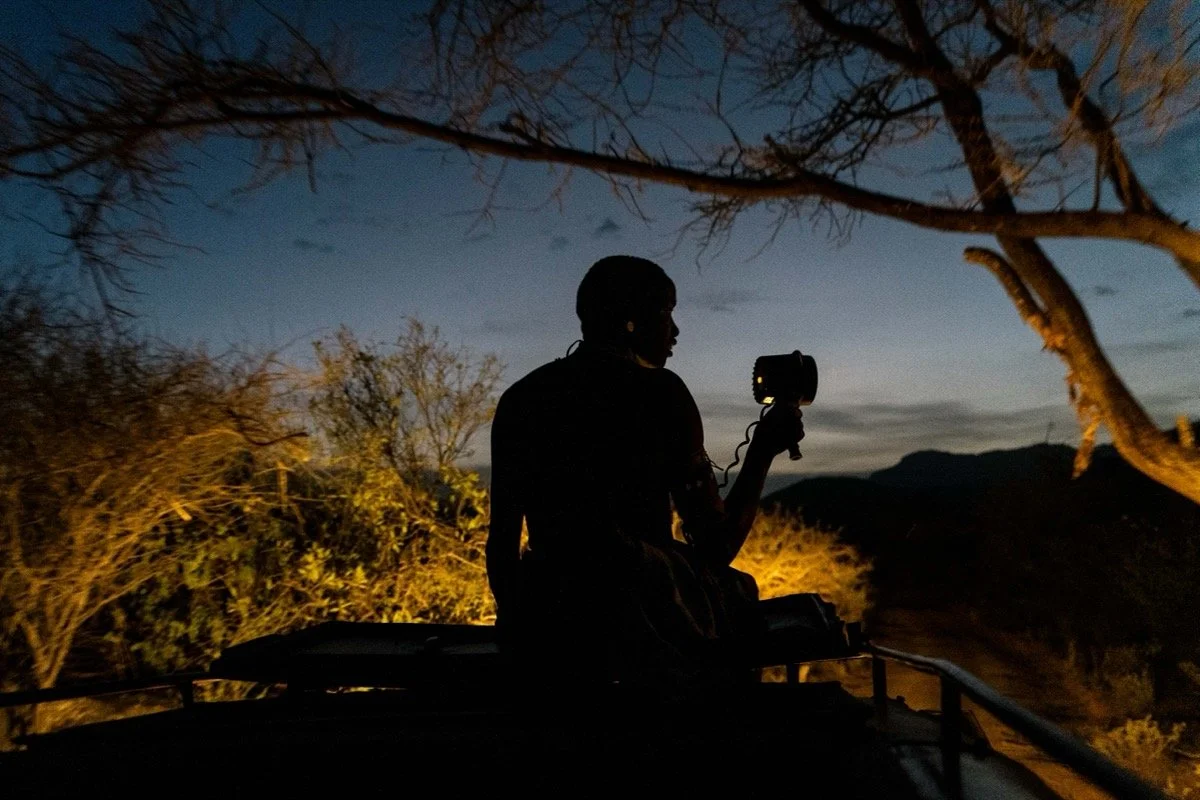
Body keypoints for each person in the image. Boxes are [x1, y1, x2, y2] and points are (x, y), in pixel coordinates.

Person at [487, 255, 804, 686]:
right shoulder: (661, 395)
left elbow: (501, 544)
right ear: (630, 319)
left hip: (550, 617)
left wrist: (522, 637)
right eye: (666, 312)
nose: (676, 331)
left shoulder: (522, 398)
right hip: (641, 627)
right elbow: (716, 547)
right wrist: (763, 450)